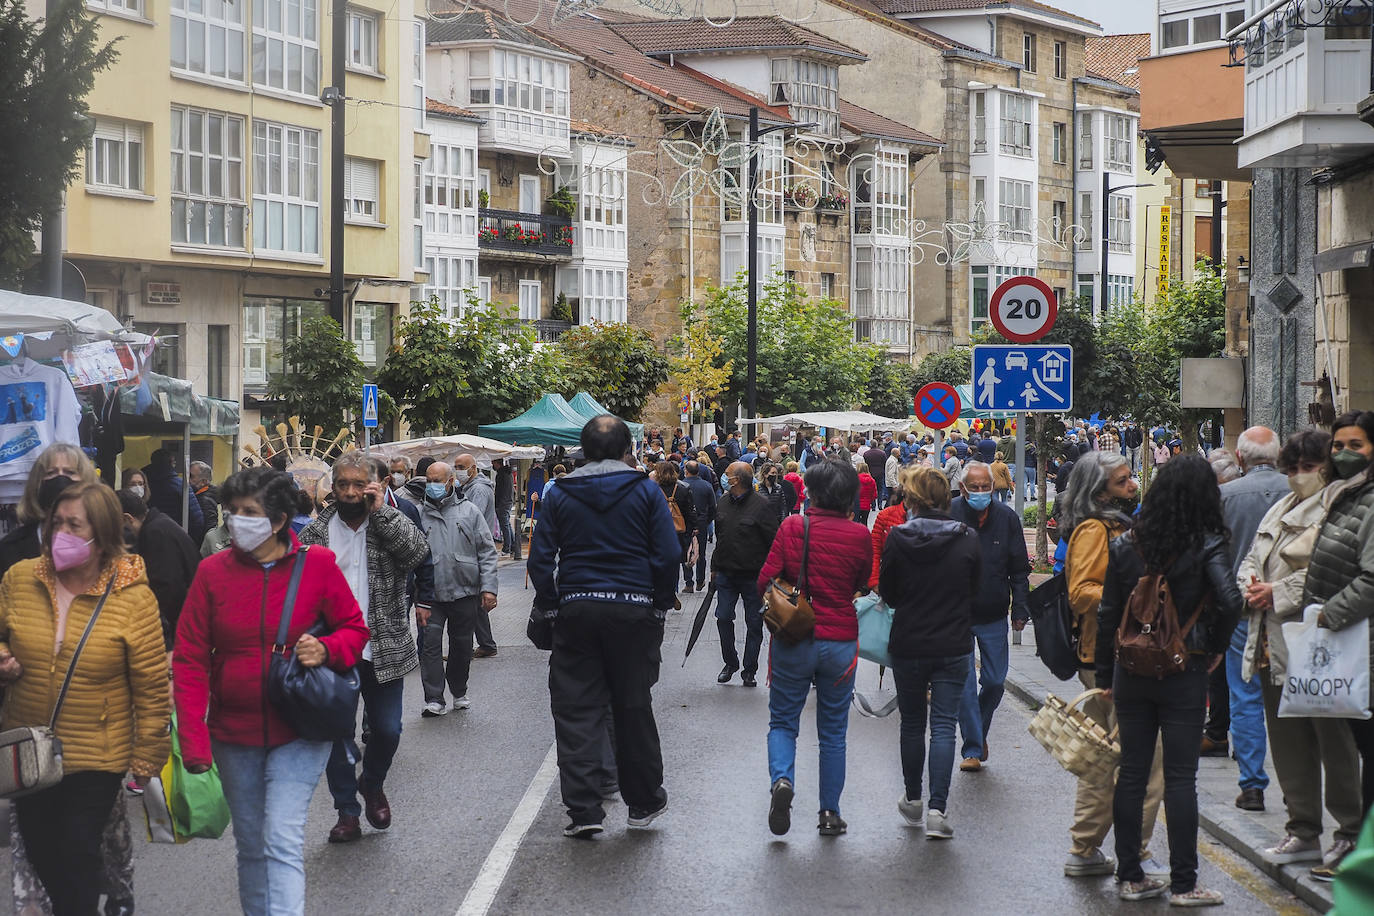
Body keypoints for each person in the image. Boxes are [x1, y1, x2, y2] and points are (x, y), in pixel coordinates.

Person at [175, 466, 368, 916]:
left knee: (280, 838)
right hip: (232, 732)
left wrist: (326, 648)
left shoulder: (316, 564)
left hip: (300, 727)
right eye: (233, 512)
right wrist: (194, 740)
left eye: (250, 512)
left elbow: (355, 630)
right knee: (251, 846)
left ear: (279, 520)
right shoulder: (211, 572)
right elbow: (188, 659)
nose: (237, 520)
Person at [0, 482, 169, 916]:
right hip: (29, 748)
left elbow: (151, 685)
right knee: (42, 851)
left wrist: (148, 756)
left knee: (77, 848)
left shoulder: (134, 599)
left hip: (96, 751)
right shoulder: (20, 579)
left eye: (75, 525)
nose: (62, 533)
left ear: (103, 533)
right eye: (57, 522)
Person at [1096, 454, 1244, 905]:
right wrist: (1214, 645)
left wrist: (1106, 674)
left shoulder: (1127, 544)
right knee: (1181, 779)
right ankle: (1184, 884)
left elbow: (1107, 614)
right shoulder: (1208, 542)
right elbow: (1230, 598)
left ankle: (1131, 875)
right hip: (1186, 668)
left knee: (1132, 773)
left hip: (1131, 671)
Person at [528, 415, 677, 838]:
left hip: (577, 609)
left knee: (576, 709)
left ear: (584, 449)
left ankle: (584, 810)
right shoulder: (645, 490)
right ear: (625, 448)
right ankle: (643, 802)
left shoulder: (561, 494)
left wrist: (552, 604)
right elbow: (666, 555)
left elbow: (541, 558)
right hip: (633, 610)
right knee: (632, 705)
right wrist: (659, 603)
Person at [1239, 429, 1362, 880]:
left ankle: (1349, 832)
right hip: (1274, 645)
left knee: (1335, 745)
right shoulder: (1280, 507)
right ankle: (1303, 828)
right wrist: (1252, 588)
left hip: (1324, 650)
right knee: (1288, 745)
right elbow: (1252, 559)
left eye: (1306, 468)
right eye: (1290, 469)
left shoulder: (1341, 507)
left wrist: (1281, 592)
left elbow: (1336, 570)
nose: (1297, 477)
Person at [299, 451, 430, 843]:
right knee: (338, 735)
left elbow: (418, 554)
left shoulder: (391, 521)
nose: (351, 491)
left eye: (360, 484)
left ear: (376, 485)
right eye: (344, 484)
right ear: (333, 488)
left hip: (383, 646)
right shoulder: (315, 534)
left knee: (387, 730)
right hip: (332, 650)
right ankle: (347, 812)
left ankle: (371, 783)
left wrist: (381, 513)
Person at [1063, 451, 1166, 879]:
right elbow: (1081, 591)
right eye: (1123, 480)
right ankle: (1135, 852)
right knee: (1143, 760)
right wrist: (1132, 602)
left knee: (1102, 758)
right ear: (1100, 489)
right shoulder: (1094, 530)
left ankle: (1085, 848)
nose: (1132, 484)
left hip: (1108, 655)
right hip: (1110, 657)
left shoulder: (1117, 526)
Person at [758, 459, 871, 837]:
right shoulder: (859, 535)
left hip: (795, 637)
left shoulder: (793, 526)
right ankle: (829, 814)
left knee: (783, 722)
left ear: (812, 491)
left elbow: (765, 579)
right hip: (839, 641)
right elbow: (863, 583)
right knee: (834, 733)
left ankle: (782, 781)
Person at [879, 466, 978, 840]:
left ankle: (913, 798)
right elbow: (975, 587)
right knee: (943, 727)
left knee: (912, 724)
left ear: (912, 500)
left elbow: (888, 592)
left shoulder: (898, 538)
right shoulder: (967, 537)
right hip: (953, 643)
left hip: (909, 642)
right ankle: (938, 810)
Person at [1305, 411, 1374, 821]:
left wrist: (1329, 613)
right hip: (1352, 645)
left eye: (1356, 445)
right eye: (1338, 445)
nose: (1345, 453)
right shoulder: (1346, 493)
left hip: (1359, 642)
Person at [1217, 427, 1286, 813]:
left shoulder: (1225, 496)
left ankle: (1253, 785)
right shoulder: (1298, 494)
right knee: (1290, 698)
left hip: (1241, 610)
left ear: (1239, 459)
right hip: (1289, 610)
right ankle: (1298, 790)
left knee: (1244, 695)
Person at [950, 462, 1029, 771]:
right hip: (956, 614)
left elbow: (1020, 569)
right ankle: (972, 748)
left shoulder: (1007, 518)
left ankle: (977, 731)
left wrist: (1020, 608)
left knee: (995, 681)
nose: (981, 492)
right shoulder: (951, 513)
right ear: (964, 488)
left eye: (986, 487)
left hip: (993, 612)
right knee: (966, 684)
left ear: (993, 487)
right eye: (975, 487)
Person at [414, 461, 498, 718]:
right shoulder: (417, 514)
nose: (432, 486)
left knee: (461, 646)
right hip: (430, 595)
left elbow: (486, 551)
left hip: (464, 591)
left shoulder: (470, 511)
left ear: (451, 481)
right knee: (429, 645)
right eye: (428, 481)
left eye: (437, 481)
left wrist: (489, 588)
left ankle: (459, 691)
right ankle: (434, 698)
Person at [712, 462, 779, 688]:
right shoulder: (722, 502)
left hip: (754, 576)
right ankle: (730, 662)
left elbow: (774, 541)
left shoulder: (762, 505)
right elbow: (720, 538)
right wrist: (714, 567)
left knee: (754, 623)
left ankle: (749, 670)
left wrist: (773, 575)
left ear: (737, 480)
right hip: (726, 573)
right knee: (723, 617)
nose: (724, 477)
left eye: (728, 474)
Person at [117, 488, 200, 650]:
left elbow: (165, 590)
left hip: (178, 634)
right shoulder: (161, 524)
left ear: (127, 519)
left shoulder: (155, 534)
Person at [0, 442, 98, 575]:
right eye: (51, 472)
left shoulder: (104, 543)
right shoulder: (10, 548)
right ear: (37, 483)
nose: (60, 478)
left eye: (70, 472)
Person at [454, 454, 499, 659]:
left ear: (473, 469)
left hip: (474, 549)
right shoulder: (471, 487)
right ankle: (485, 643)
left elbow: (472, 518)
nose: (458, 471)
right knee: (474, 599)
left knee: (474, 599)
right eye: (455, 467)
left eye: (461, 467)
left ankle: (483, 644)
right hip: (470, 549)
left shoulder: (479, 489)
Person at [652, 459, 697, 588]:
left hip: (658, 530)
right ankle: (673, 589)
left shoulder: (652, 487)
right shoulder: (683, 488)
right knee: (675, 562)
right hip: (678, 531)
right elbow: (690, 512)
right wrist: (691, 531)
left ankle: (661, 588)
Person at [143, 448, 205, 540]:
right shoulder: (181, 485)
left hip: (148, 535)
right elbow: (197, 519)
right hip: (175, 536)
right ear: (171, 463)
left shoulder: (143, 482)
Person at [681, 460, 716, 593]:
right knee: (701, 552)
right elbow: (713, 506)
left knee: (686, 552)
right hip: (701, 522)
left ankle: (688, 582)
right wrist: (707, 520)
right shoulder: (706, 486)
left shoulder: (681, 485)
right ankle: (700, 580)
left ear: (686, 470)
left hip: (685, 523)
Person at [493, 458, 519, 558]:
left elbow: (499, 491)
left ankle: (507, 548)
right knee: (507, 525)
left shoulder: (501, 474)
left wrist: (497, 504)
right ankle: (512, 546)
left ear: (496, 463)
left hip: (502, 503)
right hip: (508, 501)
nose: (492, 465)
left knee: (505, 526)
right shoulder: (509, 473)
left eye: (493, 463)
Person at [189, 460, 221, 532]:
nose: (187, 480)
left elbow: (209, 529)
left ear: (203, 482)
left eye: (191, 476)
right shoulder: (200, 495)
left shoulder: (205, 501)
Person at [864, 440, 888, 506]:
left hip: (870, 473)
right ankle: (880, 504)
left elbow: (865, 464)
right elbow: (885, 463)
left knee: (871, 490)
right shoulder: (882, 453)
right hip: (880, 473)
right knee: (880, 489)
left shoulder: (866, 454)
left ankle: (873, 505)